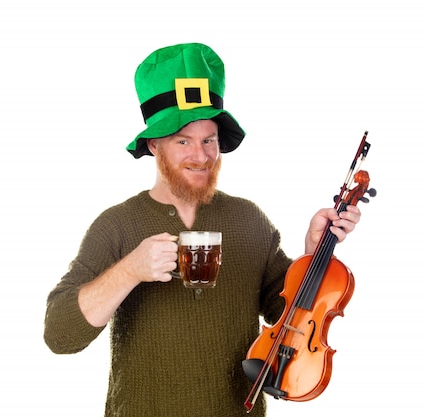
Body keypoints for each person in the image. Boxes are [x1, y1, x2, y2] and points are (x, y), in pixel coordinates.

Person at [43, 43, 361, 417]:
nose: (201, 156)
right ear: (154, 144)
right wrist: (129, 270)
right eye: (183, 141)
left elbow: (288, 316)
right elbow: (60, 335)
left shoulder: (249, 220)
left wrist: (312, 250)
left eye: (208, 140)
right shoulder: (116, 225)